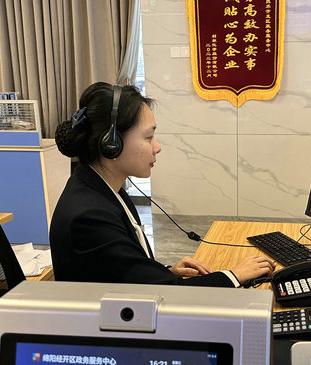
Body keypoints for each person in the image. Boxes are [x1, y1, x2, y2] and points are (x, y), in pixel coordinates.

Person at [50, 82, 274, 287]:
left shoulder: (101, 186)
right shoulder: (90, 217)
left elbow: (119, 271)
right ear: (112, 144)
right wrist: (235, 275)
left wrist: (163, 272)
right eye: (148, 138)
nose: (157, 147)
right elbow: (168, 296)